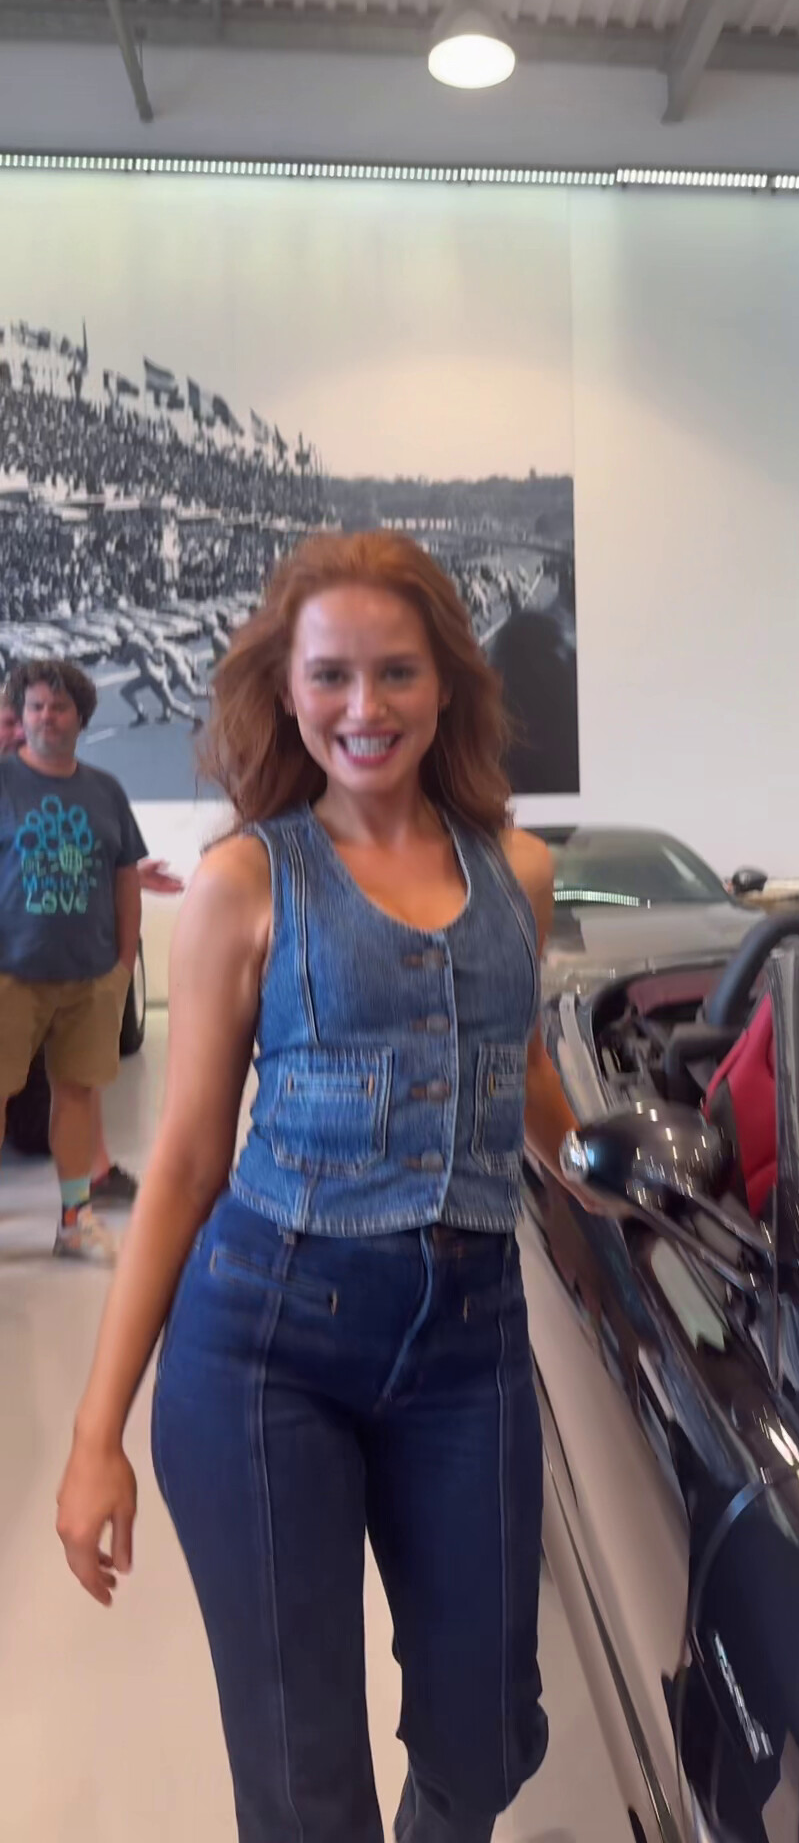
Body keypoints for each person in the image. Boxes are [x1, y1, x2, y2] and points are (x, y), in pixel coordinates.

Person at [56, 530, 605, 1843]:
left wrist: (610, 1180)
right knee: (306, 1788)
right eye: (332, 675)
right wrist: (94, 1436)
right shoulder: (248, 882)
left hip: (468, 1340)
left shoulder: (517, 874)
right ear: (288, 690)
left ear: (446, 685)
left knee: (487, 1735)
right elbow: (187, 1162)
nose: (366, 706)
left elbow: (520, 1067)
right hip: (265, 1345)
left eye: (396, 671)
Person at [0, 675, 183, 1203]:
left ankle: (79, 1208)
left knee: (75, 1091)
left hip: (85, 972)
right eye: (29, 710)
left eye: (56, 707)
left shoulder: (101, 789)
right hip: (14, 970)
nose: (35, 722)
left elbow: (105, 860)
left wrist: (122, 967)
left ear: (80, 717)